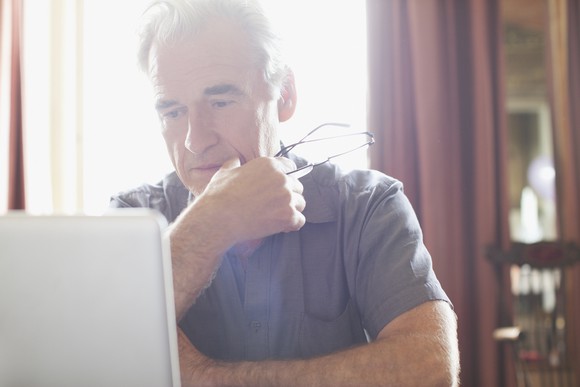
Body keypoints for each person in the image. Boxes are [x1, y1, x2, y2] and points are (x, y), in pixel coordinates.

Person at [110, 0, 460, 385]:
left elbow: (429, 369)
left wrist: (206, 379)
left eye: (220, 101)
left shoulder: (367, 207)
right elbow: (99, 350)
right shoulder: (134, 216)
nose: (195, 140)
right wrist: (213, 223)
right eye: (173, 112)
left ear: (285, 95)